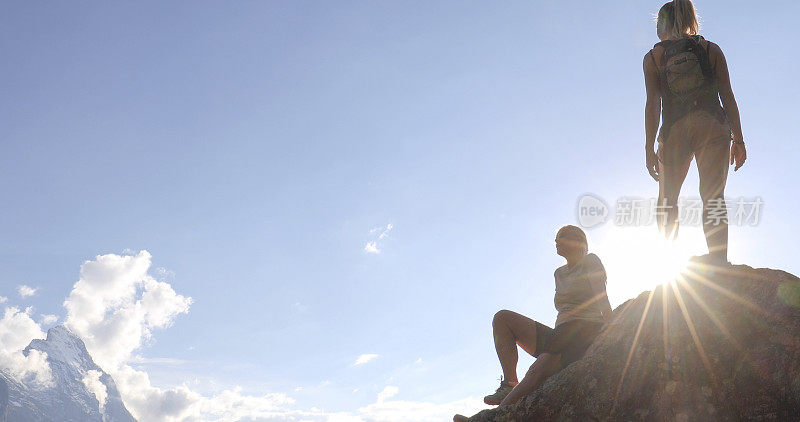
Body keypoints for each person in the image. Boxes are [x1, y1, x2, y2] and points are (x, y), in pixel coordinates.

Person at [454, 226, 613, 421]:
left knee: (536, 372)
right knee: (502, 318)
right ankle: (509, 384)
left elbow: (602, 298)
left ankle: (493, 418)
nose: (556, 241)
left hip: (583, 329)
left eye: (562, 237)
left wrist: (612, 331)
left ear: (577, 240)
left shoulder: (590, 261)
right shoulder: (559, 273)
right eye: (555, 238)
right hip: (560, 332)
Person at [644, 0, 747, 264]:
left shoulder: (653, 57)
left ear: (664, 23)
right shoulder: (711, 49)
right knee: (713, 196)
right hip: (711, 123)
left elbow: (653, 104)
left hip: (674, 128)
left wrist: (648, 148)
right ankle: (718, 261)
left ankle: (668, 262)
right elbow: (728, 96)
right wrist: (739, 138)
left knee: (667, 200)